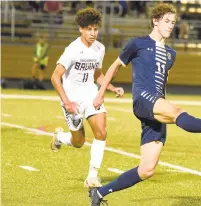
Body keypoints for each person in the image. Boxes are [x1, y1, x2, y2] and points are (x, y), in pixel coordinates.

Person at [89, 3, 201, 205]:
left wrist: (162, 104)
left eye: (173, 22)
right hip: (142, 99)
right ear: (155, 21)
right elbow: (114, 67)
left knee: (147, 169)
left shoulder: (171, 54)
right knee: (176, 111)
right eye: (166, 21)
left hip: (156, 105)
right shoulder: (137, 43)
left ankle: (99, 193)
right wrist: (101, 93)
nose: (170, 25)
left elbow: (161, 82)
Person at [50, 7, 124, 189]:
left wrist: (111, 87)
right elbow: (55, 76)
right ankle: (59, 137)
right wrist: (66, 101)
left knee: (101, 132)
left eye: (95, 29)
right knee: (78, 142)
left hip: (91, 95)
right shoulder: (73, 50)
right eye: (89, 29)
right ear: (81, 29)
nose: (93, 33)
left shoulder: (100, 48)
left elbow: (97, 74)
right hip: (73, 100)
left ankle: (92, 176)